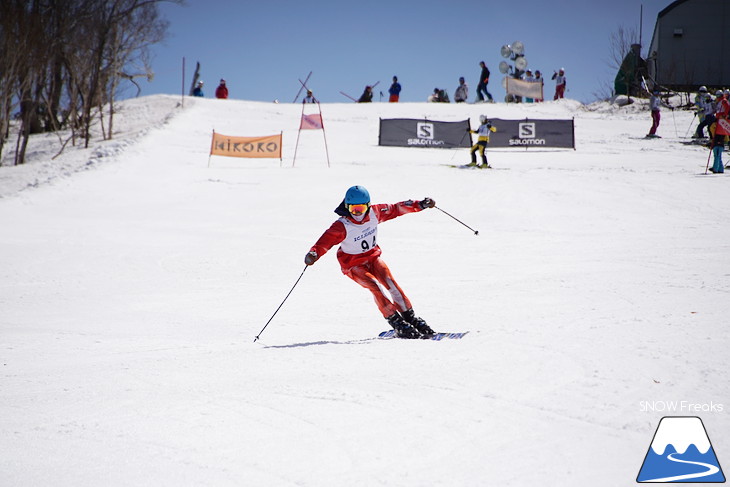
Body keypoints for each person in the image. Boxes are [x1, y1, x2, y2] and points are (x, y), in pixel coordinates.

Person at [304, 186, 437, 339]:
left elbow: (396, 208)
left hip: (373, 258)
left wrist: (420, 204)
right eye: (353, 209)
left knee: (391, 284)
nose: (357, 213)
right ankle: (397, 323)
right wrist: (314, 254)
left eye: (360, 208)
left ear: (367, 205)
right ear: (347, 207)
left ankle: (411, 318)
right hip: (353, 265)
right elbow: (324, 241)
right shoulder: (342, 225)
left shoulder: (375, 212)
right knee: (376, 287)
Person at [710, 90, 729, 173]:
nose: (716, 98)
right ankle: (719, 167)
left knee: (717, 143)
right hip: (719, 121)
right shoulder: (720, 102)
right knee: (717, 141)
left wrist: (724, 115)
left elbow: (728, 108)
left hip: (721, 122)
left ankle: (716, 167)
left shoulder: (724, 101)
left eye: (717, 96)